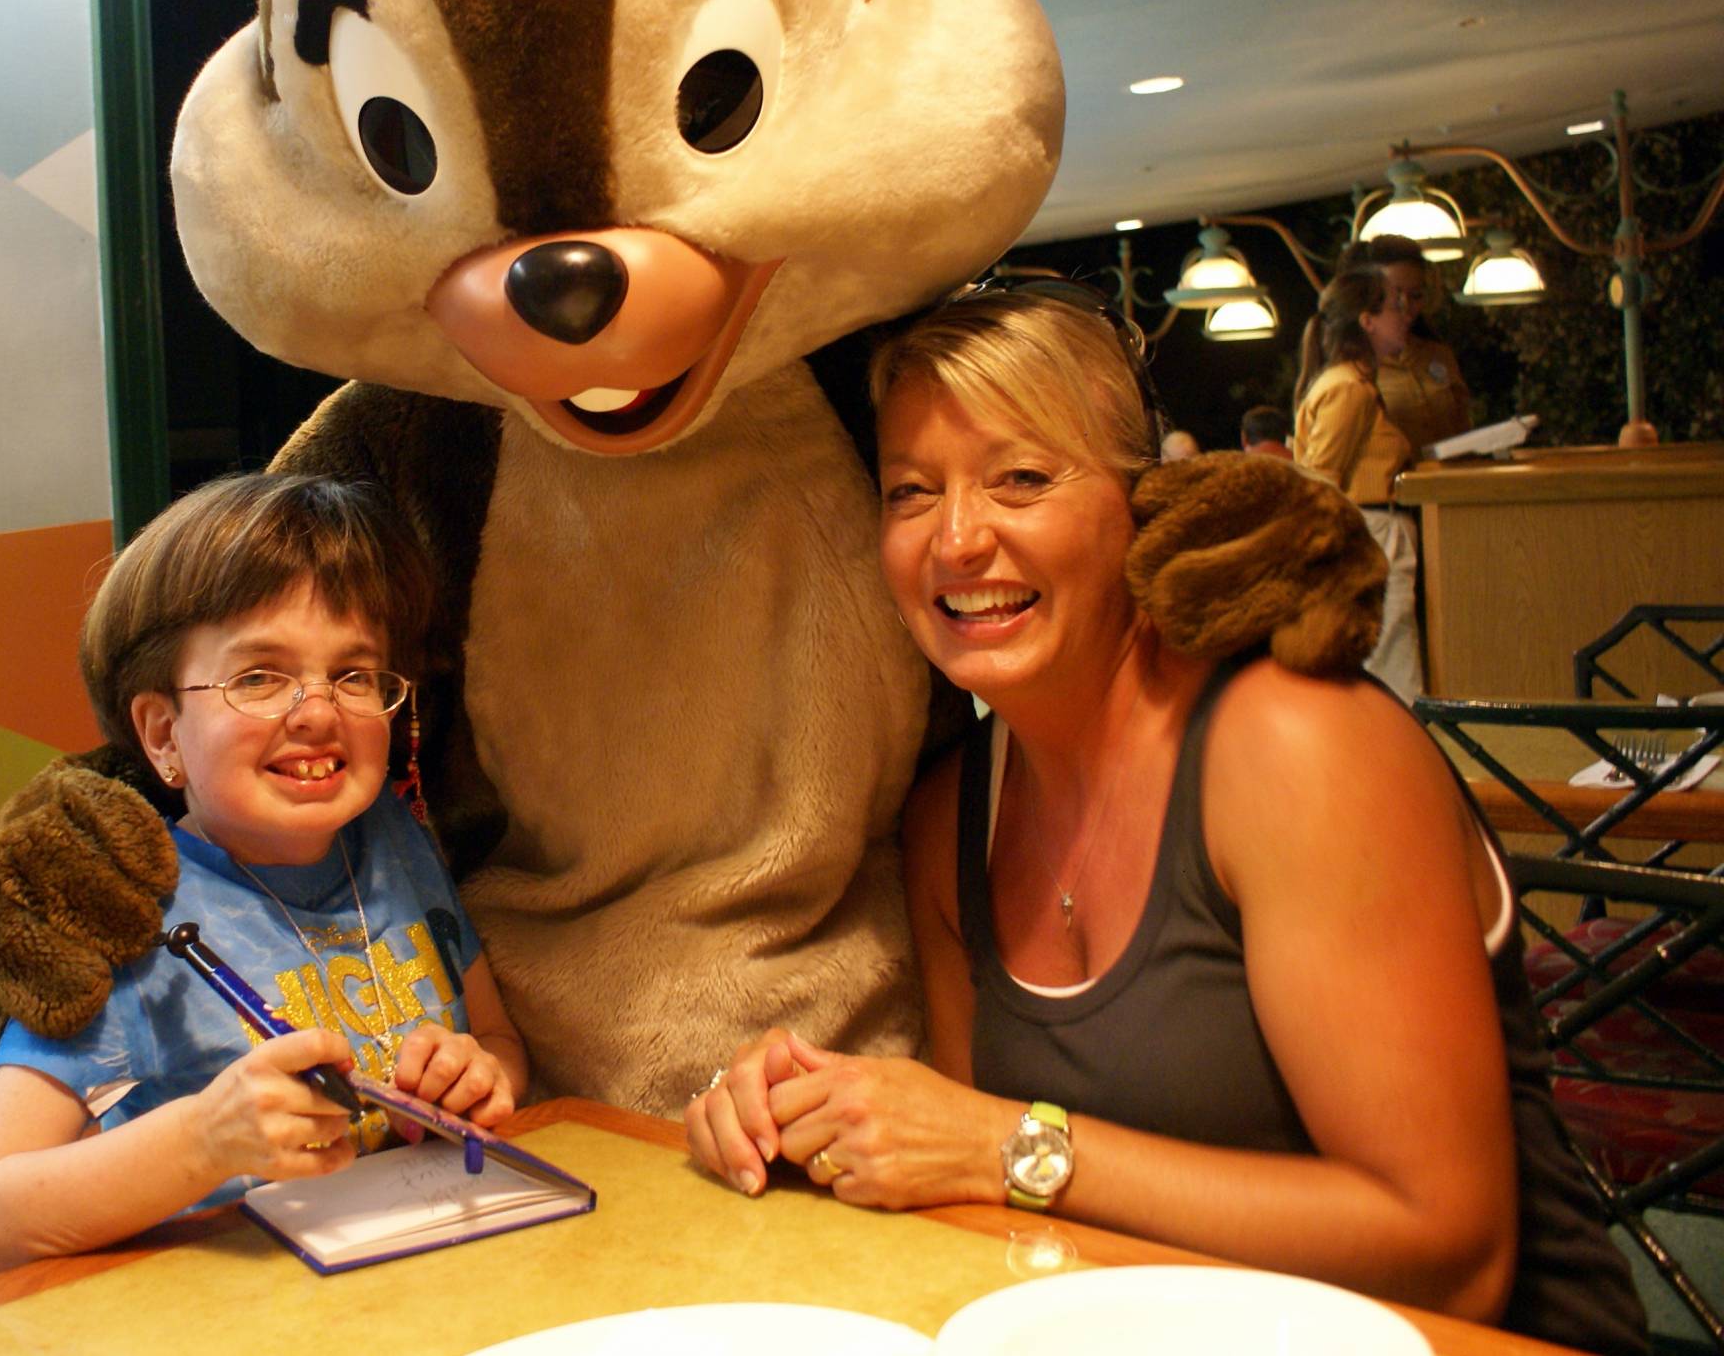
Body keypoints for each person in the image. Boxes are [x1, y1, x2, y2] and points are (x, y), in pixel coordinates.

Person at [685, 276, 1646, 1356]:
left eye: (1021, 477)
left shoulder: (1292, 746)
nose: (956, 538)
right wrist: (792, 1119)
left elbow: (1449, 1253)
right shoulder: (948, 814)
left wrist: (1007, 1143)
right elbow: (974, 1208)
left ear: (1138, 499)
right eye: (911, 491)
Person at [0, 473, 528, 1284]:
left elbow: (497, 1040)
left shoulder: (398, 838)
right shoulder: (118, 906)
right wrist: (201, 1142)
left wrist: (481, 1073)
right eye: (258, 677)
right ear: (162, 735)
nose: (318, 711)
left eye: (355, 674)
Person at [1293, 266, 1421, 702]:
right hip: (1371, 532)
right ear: (1367, 320)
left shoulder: (1352, 385)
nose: (1405, 314)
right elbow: (1320, 480)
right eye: (1394, 305)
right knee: (1391, 667)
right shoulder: (1348, 388)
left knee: (1391, 662)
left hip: (1373, 530)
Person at [1339, 234, 1472, 453]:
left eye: (1416, 295)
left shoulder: (1437, 355)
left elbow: (1463, 427)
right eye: (1395, 297)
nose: (1406, 307)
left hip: (1448, 482)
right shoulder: (1349, 373)